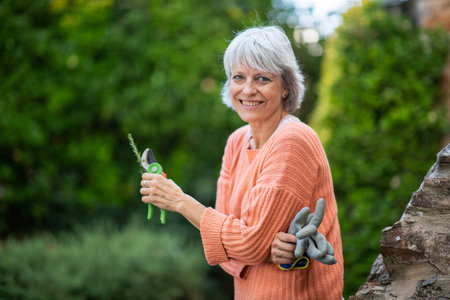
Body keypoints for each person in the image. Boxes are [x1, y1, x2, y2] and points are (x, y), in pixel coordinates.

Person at [140, 25, 344, 299]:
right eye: (238, 77)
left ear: (285, 87)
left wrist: (180, 201)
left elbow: (244, 242)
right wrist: (259, 249)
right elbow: (227, 250)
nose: (248, 90)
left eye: (262, 79)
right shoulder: (237, 142)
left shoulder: (292, 140)